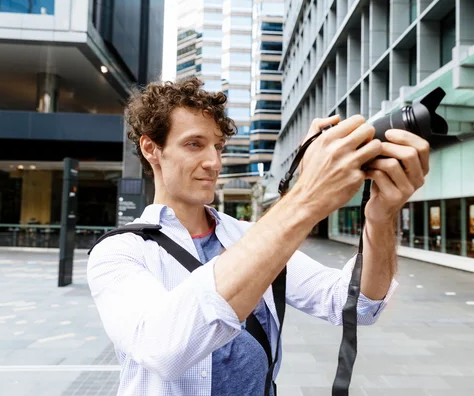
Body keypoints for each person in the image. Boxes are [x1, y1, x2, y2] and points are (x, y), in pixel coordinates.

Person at [87, 77, 431, 396]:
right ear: (152, 149)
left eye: (218, 147)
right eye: (194, 144)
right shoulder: (119, 252)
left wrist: (381, 215)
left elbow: (356, 305)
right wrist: (306, 196)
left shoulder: (248, 236)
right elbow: (162, 347)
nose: (213, 162)